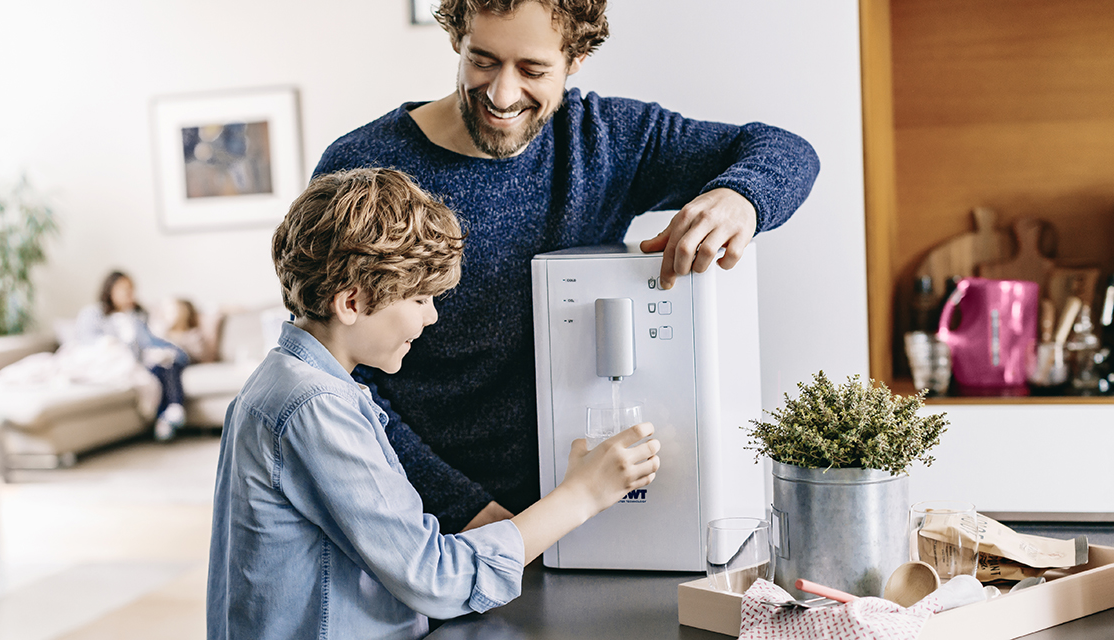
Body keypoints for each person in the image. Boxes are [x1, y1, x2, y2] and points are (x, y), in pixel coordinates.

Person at [312, 0, 822, 534]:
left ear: (575, 57)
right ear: (456, 40)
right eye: (481, 60)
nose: (502, 94)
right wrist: (465, 510)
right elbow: (338, 377)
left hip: (586, 508)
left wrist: (739, 197)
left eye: (532, 70)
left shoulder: (605, 140)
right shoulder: (362, 170)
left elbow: (786, 150)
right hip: (420, 524)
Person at [207, 167, 660, 639]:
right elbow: (433, 577)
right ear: (352, 303)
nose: (431, 317)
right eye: (420, 298)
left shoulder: (280, 382)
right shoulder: (313, 405)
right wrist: (582, 494)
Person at [75, 271, 190, 440]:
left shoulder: (136, 317)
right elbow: (86, 341)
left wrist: (176, 352)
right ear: (110, 290)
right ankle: (169, 413)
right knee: (155, 371)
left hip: (138, 363)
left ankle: (169, 414)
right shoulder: (93, 314)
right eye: (125, 289)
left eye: (132, 289)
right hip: (109, 361)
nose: (130, 294)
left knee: (166, 364)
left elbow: (150, 342)